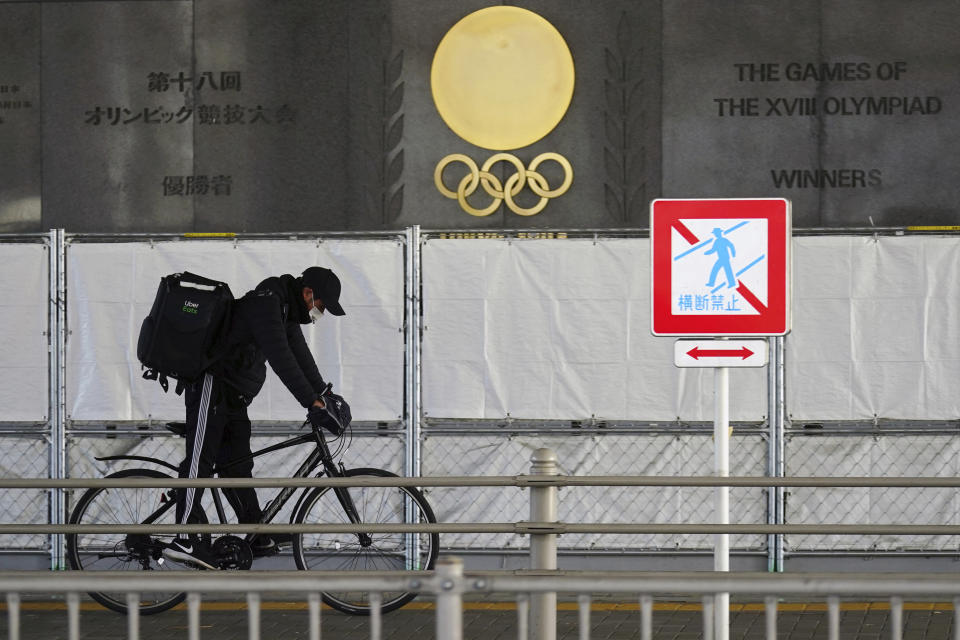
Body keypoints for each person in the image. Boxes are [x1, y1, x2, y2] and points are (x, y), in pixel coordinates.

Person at [165, 266, 346, 570]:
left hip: (234, 395)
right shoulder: (266, 302)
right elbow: (280, 357)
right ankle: (182, 537)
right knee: (201, 460)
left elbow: (301, 356)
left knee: (237, 466)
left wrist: (326, 394)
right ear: (308, 293)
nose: (320, 312)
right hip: (212, 383)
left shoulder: (285, 310)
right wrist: (312, 402)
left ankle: (255, 529)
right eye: (321, 305)